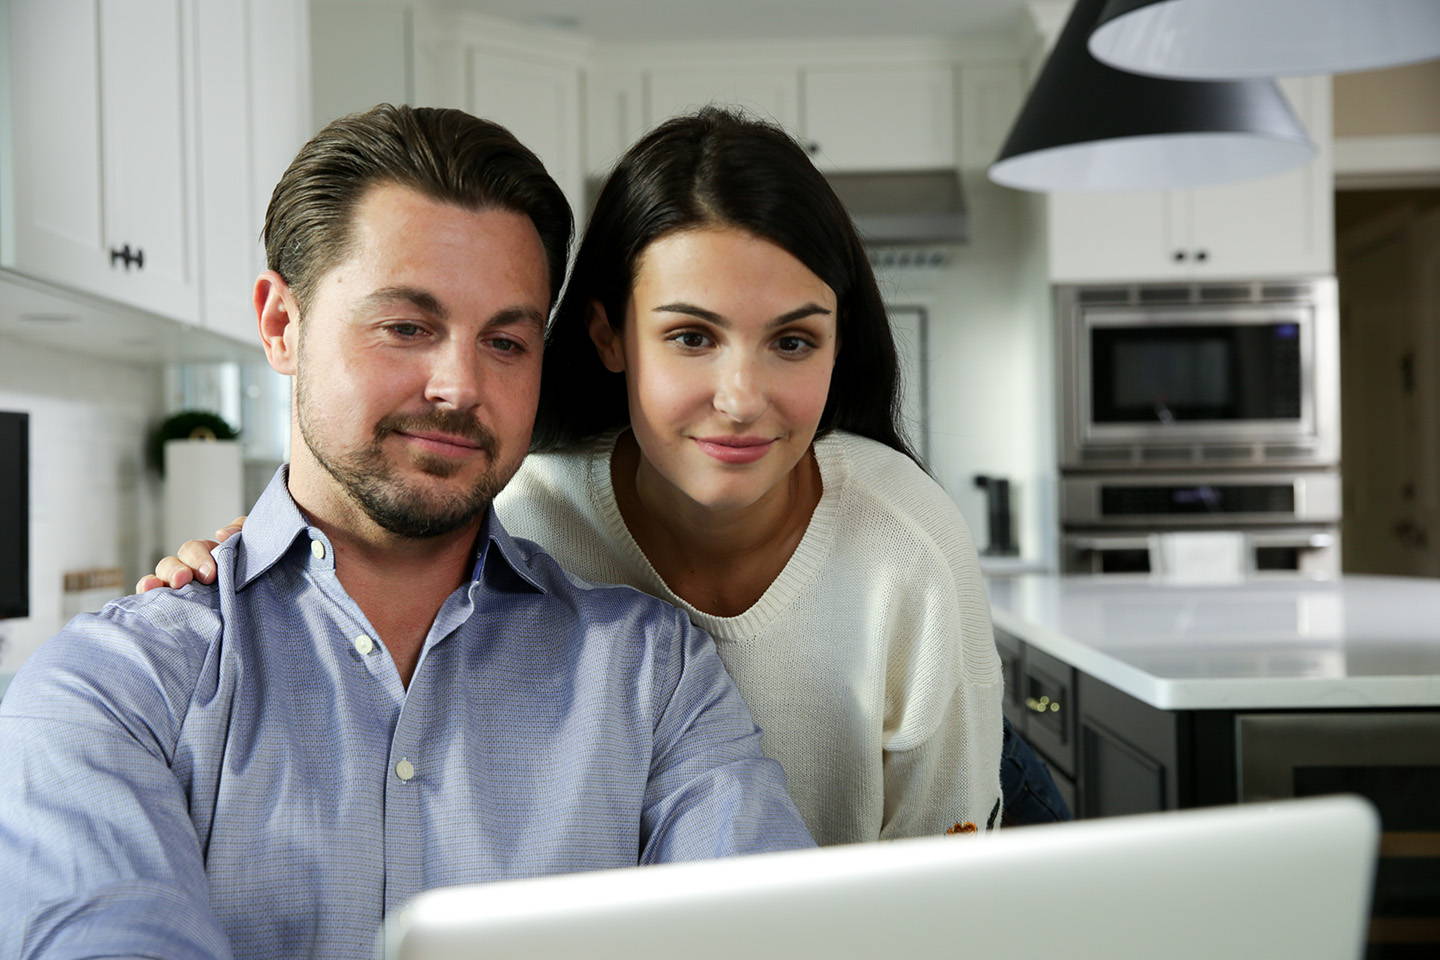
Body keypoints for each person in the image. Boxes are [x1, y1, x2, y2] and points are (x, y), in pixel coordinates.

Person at [0, 104, 813, 960]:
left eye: (506, 341)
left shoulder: (654, 676)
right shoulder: (115, 687)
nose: (458, 385)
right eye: (407, 327)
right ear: (281, 323)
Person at [147, 107, 1042, 846]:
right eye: (691, 337)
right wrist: (241, 564)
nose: (741, 399)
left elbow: (944, 879)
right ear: (609, 337)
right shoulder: (526, 511)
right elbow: (372, 548)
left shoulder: (903, 541)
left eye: (794, 341)